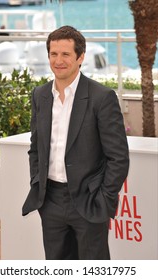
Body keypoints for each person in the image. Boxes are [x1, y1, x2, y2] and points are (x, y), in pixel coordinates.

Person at [22, 25, 129, 260]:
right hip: (50, 201)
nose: (58, 61)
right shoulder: (40, 95)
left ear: (80, 57)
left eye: (66, 54)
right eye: (53, 54)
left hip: (88, 201)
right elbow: (35, 148)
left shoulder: (101, 97)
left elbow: (118, 157)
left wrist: (103, 198)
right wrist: (38, 183)